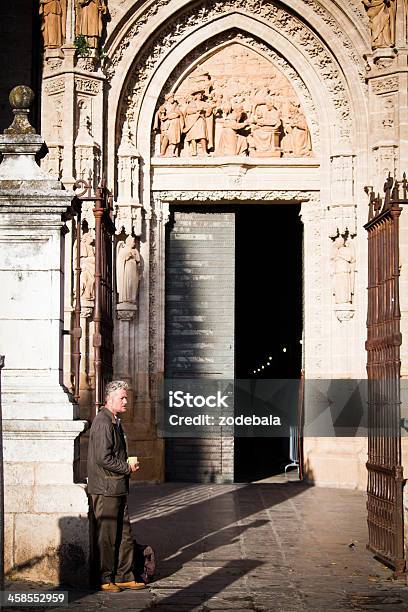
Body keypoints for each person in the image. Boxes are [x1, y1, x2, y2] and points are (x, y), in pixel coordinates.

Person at [87, 380, 145, 592]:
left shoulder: (113, 420)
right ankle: (105, 578)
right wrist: (126, 467)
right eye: (122, 397)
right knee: (108, 536)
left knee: (124, 533)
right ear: (109, 399)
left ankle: (124, 575)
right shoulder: (103, 422)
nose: (126, 401)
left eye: (126, 397)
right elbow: (103, 458)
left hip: (116, 486)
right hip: (106, 489)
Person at [116, 235, 141, 304]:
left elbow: (138, 261)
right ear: (129, 242)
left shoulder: (135, 250)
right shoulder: (123, 249)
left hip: (134, 268)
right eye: (133, 242)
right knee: (128, 282)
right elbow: (120, 260)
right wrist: (127, 256)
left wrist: (135, 258)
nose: (134, 243)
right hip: (127, 268)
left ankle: (132, 298)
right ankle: (126, 298)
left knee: (134, 282)